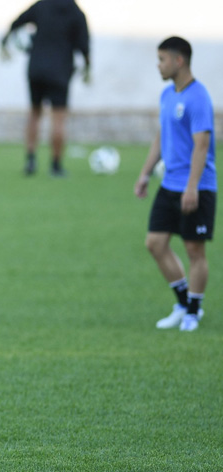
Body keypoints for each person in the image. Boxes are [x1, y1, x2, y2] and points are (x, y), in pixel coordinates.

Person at [134, 37, 217, 332]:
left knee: (194, 251)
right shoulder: (167, 95)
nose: (158, 65)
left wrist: (192, 187)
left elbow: (202, 145)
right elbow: (161, 136)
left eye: (162, 59)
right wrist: (144, 174)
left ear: (178, 61)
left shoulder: (198, 98)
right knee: (155, 244)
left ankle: (193, 312)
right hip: (169, 184)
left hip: (196, 187)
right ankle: (184, 303)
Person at [0, 0, 90, 176]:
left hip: (36, 68)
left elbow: (17, 21)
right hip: (60, 70)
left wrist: (5, 40)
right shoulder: (76, 12)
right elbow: (84, 45)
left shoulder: (42, 5)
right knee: (58, 118)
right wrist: (88, 67)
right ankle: (55, 165)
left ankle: (31, 160)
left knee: (34, 113)